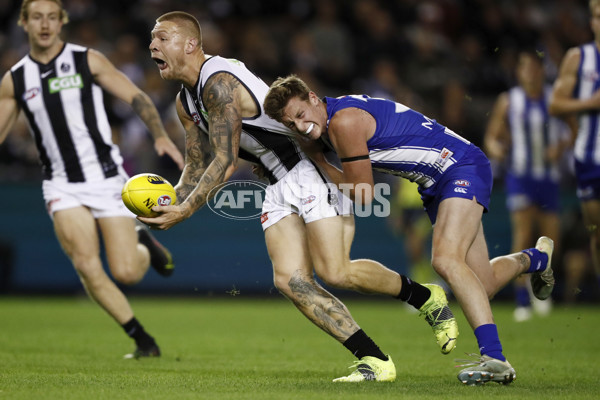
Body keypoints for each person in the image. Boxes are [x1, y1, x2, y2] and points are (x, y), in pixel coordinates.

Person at [142, 11, 458, 382]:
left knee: (335, 271)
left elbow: (225, 160)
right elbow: (196, 166)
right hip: (278, 182)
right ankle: (375, 360)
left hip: (308, 168)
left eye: (162, 38)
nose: (152, 45)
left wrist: (185, 211)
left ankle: (425, 298)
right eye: (152, 38)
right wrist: (166, 202)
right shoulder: (186, 102)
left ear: (191, 44)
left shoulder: (219, 82)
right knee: (290, 280)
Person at [263, 74, 557, 386]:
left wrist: (319, 162)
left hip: (458, 166)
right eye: (291, 124)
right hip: (436, 182)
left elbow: (363, 194)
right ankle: (536, 259)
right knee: (480, 286)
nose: (300, 126)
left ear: (312, 97)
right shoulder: (335, 116)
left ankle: (495, 359)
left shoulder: (343, 123)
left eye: (300, 114)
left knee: (445, 260)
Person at [0, 0, 185, 359]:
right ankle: (143, 340)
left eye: (52, 17)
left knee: (127, 272)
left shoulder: (87, 60)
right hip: (61, 184)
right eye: (37, 17)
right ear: (24, 23)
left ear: (61, 22)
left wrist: (160, 135)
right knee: (86, 264)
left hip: (106, 178)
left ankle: (142, 243)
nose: (45, 24)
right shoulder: (16, 79)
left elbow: (136, 96)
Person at [484, 50, 570, 322]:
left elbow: (572, 129)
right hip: (520, 176)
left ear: (541, 70)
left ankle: (541, 292)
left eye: (534, 68)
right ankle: (522, 300)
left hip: (548, 177)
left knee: (550, 239)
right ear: (519, 72)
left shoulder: (554, 97)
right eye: (525, 68)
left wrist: (560, 148)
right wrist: (497, 149)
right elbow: (491, 137)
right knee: (522, 235)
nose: (530, 73)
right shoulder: (509, 101)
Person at [549, 0, 600, 290]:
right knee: (597, 234)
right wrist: (590, 103)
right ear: (592, 22)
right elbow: (555, 104)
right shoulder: (579, 58)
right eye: (597, 17)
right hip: (590, 159)